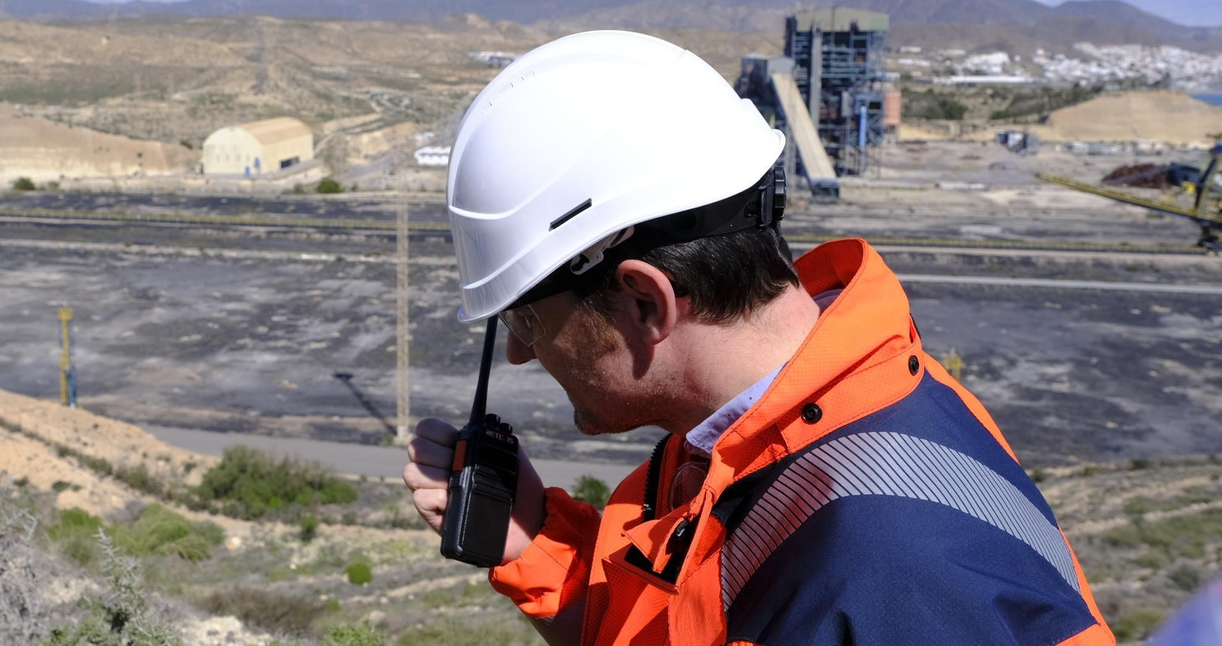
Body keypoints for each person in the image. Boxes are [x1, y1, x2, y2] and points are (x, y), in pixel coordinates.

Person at [403, 31, 1114, 645]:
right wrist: (534, 540)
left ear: (647, 301)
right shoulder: (747, 440)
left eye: (527, 320)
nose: (519, 353)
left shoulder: (889, 576)